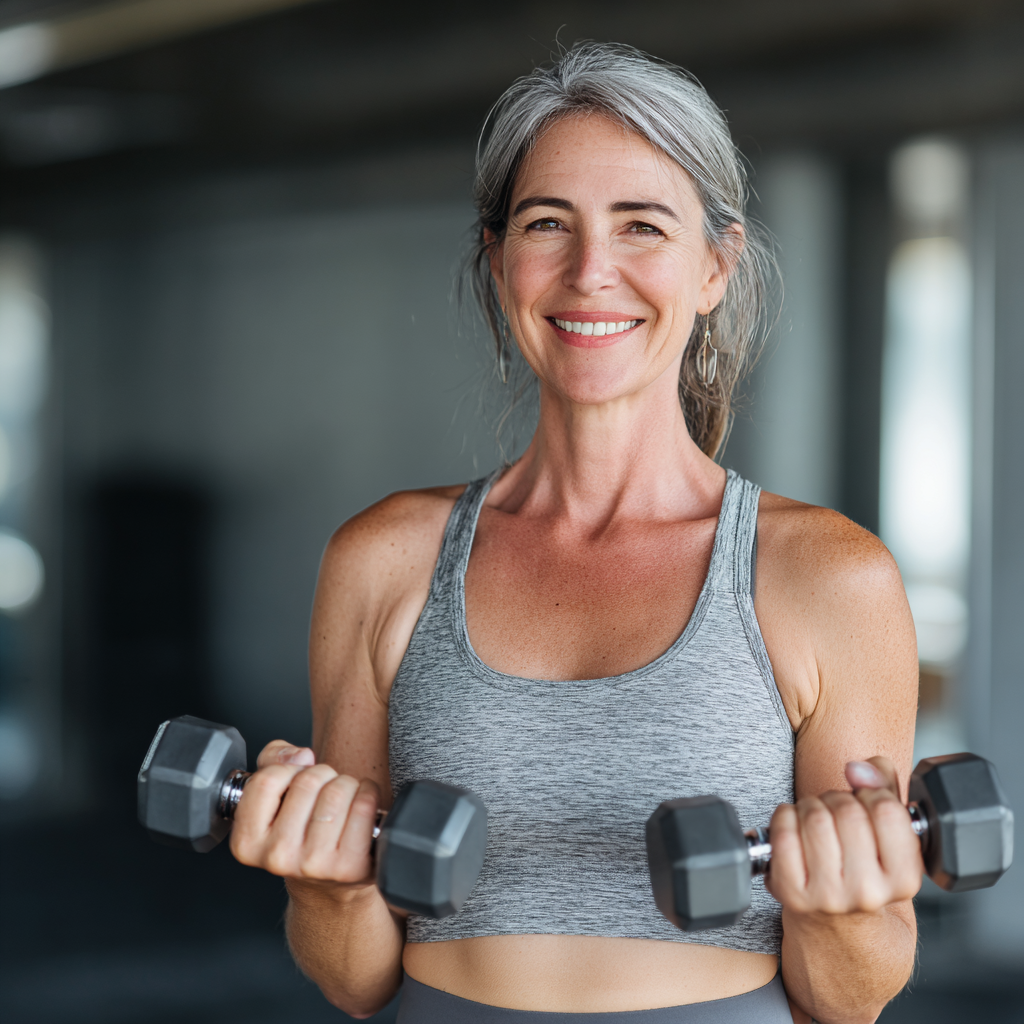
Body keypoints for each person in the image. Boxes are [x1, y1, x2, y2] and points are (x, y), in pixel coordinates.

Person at [229, 43, 921, 1023]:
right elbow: (353, 978)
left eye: (642, 226)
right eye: (548, 223)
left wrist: (842, 913)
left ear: (715, 265)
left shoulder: (826, 577)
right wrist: (328, 885)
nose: (591, 271)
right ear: (498, 255)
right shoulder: (384, 560)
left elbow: (850, 1000)